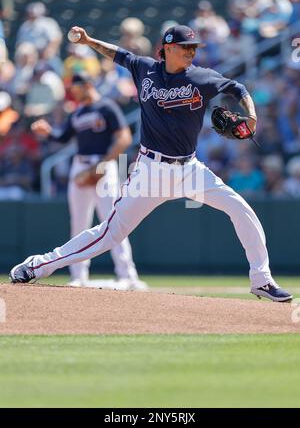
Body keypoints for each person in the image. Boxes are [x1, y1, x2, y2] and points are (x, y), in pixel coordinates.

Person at [9, 24, 292, 302]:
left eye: (194, 48)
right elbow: (118, 53)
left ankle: (262, 279)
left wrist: (251, 114)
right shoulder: (145, 69)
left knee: (240, 209)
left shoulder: (201, 78)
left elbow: (236, 87)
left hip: (190, 169)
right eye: (186, 48)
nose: (192, 52)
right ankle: (38, 265)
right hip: (150, 170)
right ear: (168, 48)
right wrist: (89, 40)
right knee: (109, 234)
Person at [30, 72, 146, 290]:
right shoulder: (78, 112)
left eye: (77, 86)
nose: (74, 90)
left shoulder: (106, 107)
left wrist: (101, 166)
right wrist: (48, 132)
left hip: (104, 164)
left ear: (88, 84)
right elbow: (62, 137)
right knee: (78, 224)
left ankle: (128, 276)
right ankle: (78, 276)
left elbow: (124, 138)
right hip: (80, 166)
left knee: (113, 222)